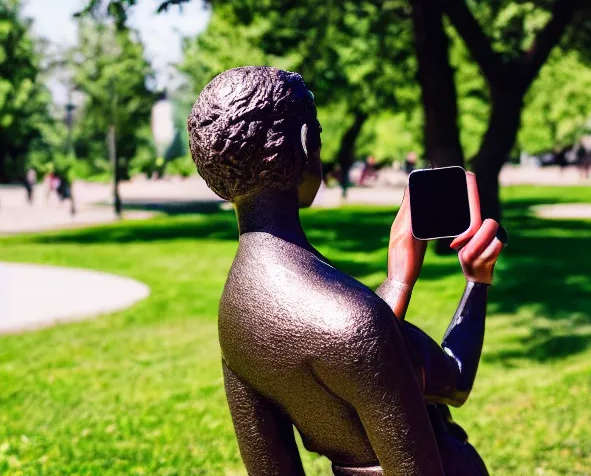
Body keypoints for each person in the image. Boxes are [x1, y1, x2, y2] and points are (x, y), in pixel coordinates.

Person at [188, 67, 507, 475]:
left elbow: (273, 461)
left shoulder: (235, 313)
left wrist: (398, 279)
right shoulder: (353, 321)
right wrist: (476, 282)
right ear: (306, 144)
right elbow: (453, 380)